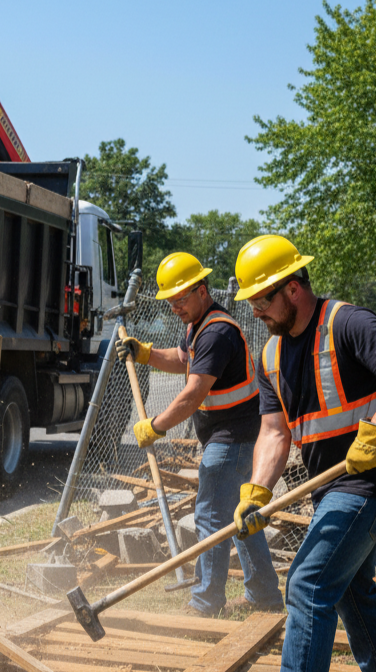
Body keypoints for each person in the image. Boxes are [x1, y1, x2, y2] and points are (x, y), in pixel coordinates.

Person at [231, 234, 376, 672]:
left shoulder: (347, 323)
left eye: (262, 300)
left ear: (293, 288)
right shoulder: (271, 354)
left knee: (308, 583)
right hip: (330, 489)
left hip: (368, 483)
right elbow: (275, 432)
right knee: (352, 590)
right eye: (251, 302)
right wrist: (256, 490)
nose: (257, 311)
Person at [117, 252, 282, 618]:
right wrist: (145, 353)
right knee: (243, 517)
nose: (174, 307)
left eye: (180, 299)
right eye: (170, 301)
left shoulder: (218, 331)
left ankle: (205, 602)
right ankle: (265, 595)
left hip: (232, 439)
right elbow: (181, 359)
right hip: (235, 436)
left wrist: (155, 426)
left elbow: (192, 394)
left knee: (210, 516)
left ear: (202, 291)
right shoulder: (199, 325)